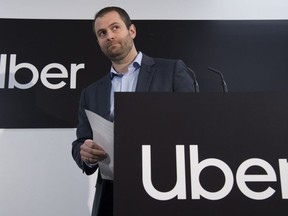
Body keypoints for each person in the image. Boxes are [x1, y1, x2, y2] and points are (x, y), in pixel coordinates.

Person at [72, 6, 195, 216]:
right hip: (112, 195)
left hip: (167, 187)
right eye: (102, 33)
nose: (109, 36)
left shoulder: (172, 71)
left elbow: (196, 124)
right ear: (99, 42)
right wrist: (85, 153)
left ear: (132, 31)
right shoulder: (90, 93)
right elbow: (80, 142)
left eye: (115, 28)